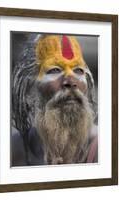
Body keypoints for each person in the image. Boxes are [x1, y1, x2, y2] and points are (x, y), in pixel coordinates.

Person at [11, 34, 98, 166]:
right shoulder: (15, 148)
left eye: (78, 70)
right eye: (55, 70)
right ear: (30, 88)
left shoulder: (104, 146)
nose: (70, 81)